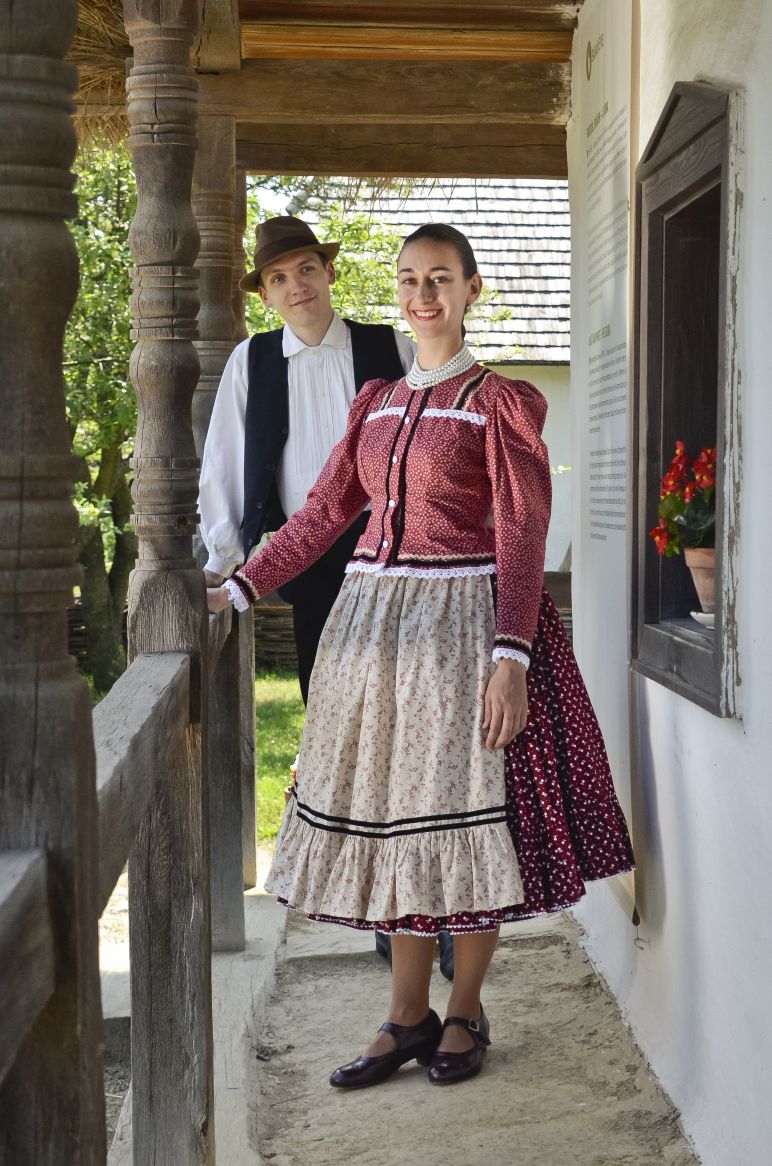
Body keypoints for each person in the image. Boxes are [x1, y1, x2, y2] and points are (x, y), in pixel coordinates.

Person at [208, 224, 635, 1088]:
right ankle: (406, 1016)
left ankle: (465, 1009)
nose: (422, 295)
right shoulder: (376, 403)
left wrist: (510, 655)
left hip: (463, 626)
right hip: (374, 637)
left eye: (440, 278)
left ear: (472, 288)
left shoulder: (500, 402)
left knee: (466, 820)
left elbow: (521, 531)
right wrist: (240, 590)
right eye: (408, 279)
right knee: (400, 823)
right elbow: (325, 513)